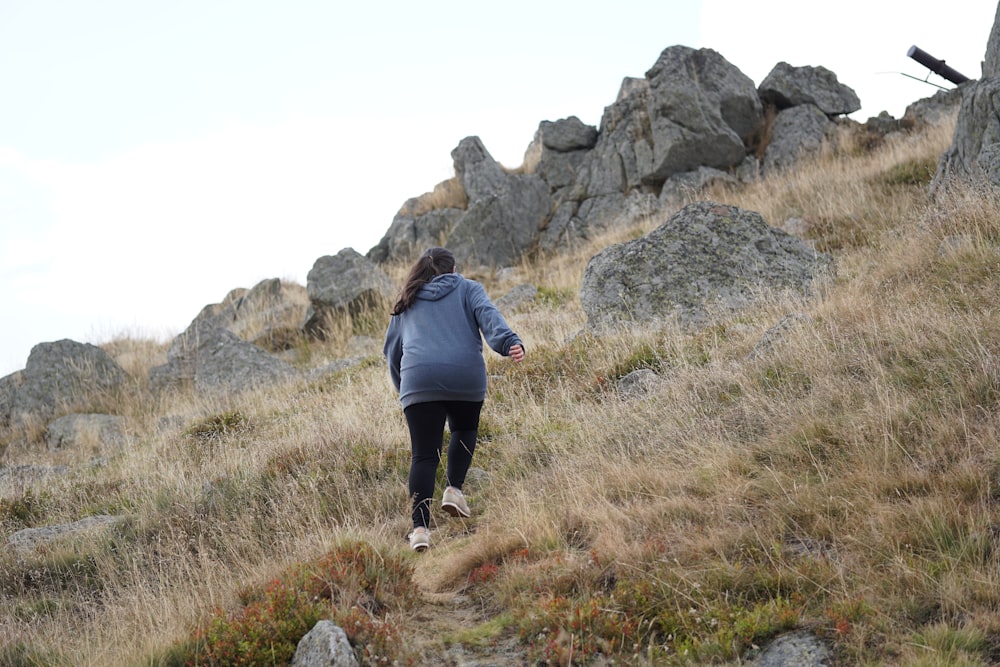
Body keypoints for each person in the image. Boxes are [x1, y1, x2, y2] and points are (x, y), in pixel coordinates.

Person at [383, 247, 525, 552]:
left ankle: (420, 530)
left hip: (419, 380)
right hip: (465, 376)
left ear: (420, 270)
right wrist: (509, 343)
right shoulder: (468, 288)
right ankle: (454, 489)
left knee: (424, 455)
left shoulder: (406, 300)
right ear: (454, 269)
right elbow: (490, 318)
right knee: (464, 429)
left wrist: (404, 388)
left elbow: (392, 352)